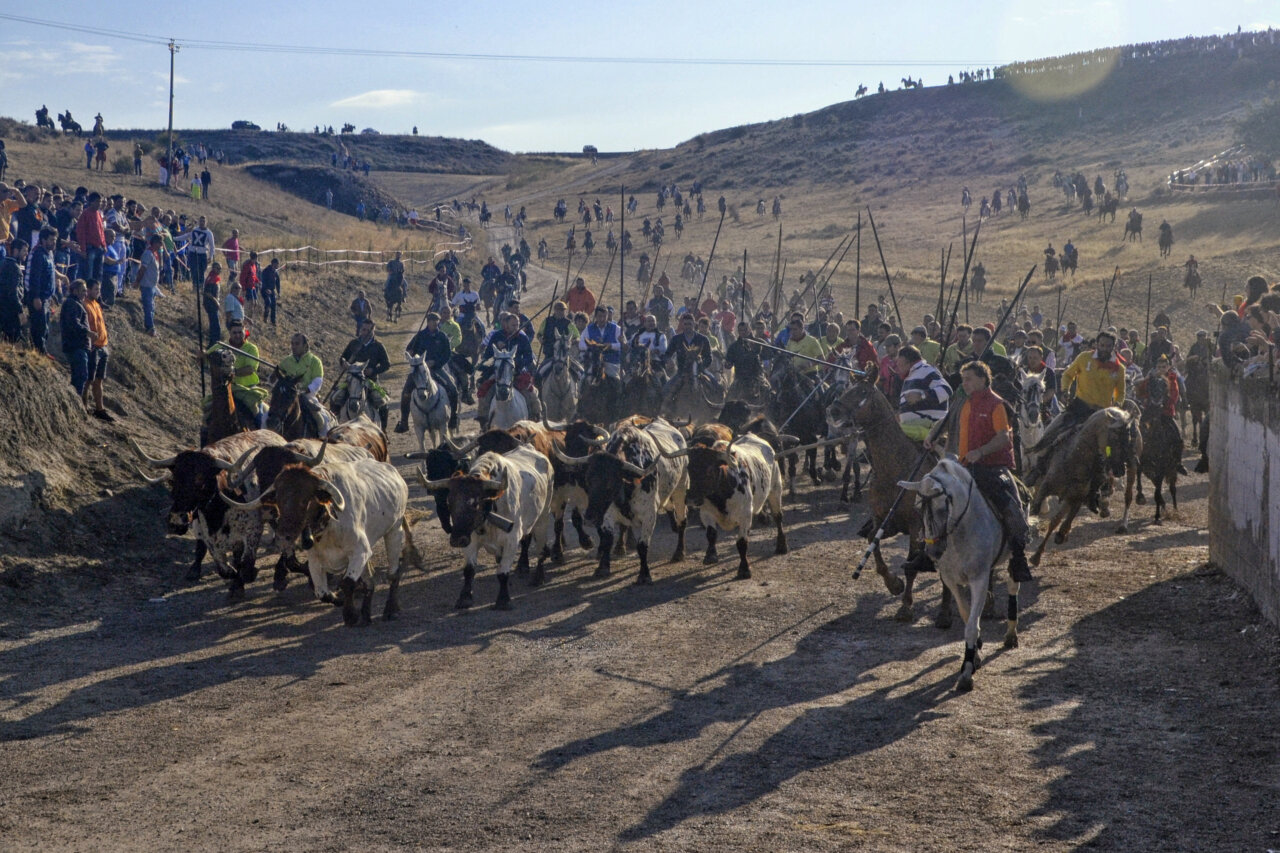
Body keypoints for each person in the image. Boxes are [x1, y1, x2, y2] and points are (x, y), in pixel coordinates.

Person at [924, 360, 1032, 582]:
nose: (964, 383)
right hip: (964, 465)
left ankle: (1018, 557)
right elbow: (946, 420)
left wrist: (981, 452)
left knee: (1011, 506)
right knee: (932, 498)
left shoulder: (996, 404)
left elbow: (1003, 437)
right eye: (963, 379)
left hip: (992, 467)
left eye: (968, 379)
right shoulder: (964, 402)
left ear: (983, 379)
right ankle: (927, 548)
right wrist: (932, 434)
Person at [1030, 330, 1125, 480]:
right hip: (1079, 407)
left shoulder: (1119, 369)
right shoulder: (1084, 358)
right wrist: (1065, 390)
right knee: (1051, 432)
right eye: (1102, 345)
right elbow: (1068, 374)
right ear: (1097, 345)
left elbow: (1121, 391)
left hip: (1103, 413)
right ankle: (1039, 467)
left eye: (1108, 346)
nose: (1104, 348)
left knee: (1110, 445)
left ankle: (1110, 473)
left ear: (1113, 347)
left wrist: (1118, 405)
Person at [398, 311, 459, 433]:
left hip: (437, 368)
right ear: (428, 322)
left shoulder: (442, 337)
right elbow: (409, 349)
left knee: (453, 389)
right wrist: (410, 352)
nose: (435, 323)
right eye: (432, 321)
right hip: (419, 370)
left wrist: (435, 363)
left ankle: (453, 417)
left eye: (437, 321)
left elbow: (447, 354)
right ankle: (404, 421)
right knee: (405, 393)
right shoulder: (420, 335)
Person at [476, 312, 539, 423]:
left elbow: (529, 357)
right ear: (506, 325)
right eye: (513, 325)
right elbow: (487, 356)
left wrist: (516, 362)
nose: (516, 328)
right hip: (498, 372)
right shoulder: (496, 336)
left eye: (517, 325)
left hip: (517, 371)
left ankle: (535, 416)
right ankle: (484, 420)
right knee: (484, 391)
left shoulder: (522, 338)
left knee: (532, 393)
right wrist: (496, 348)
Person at [207, 319, 269, 429]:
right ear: (229, 333)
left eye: (240, 332)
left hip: (248, 390)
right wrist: (202, 355)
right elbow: (207, 357)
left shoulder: (251, 349)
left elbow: (250, 369)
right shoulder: (220, 347)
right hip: (226, 389)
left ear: (245, 332)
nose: (237, 335)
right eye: (234, 333)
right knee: (207, 416)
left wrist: (233, 372)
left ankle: (262, 435)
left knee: (258, 416)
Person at [335, 318, 392, 430]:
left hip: (370, 381)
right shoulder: (353, 344)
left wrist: (373, 371)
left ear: (372, 331)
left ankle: (383, 432)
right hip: (351, 380)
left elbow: (387, 364)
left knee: (384, 403)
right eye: (362, 329)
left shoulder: (378, 346)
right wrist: (344, 363)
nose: (363, 332)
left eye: (366, 330)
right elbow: (342, 358)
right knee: (335, 396)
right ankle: (335, 425)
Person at [276, 332, 327, 436]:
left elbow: (317, 381)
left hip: (306, 397)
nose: (293, 347)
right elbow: (276, 377)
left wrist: (305, 390)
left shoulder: (315, 362)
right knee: (268, 416)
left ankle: (323, 442)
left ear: (305, 346)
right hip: (287, 397)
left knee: (323, 421)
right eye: (292, 344)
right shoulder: (286, 361)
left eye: (297, 344)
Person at [897, 344, 951, 440]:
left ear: (909, 363)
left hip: (927, 425)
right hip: (913, 425)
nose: (898, 368)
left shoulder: (927, 370)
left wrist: (921, 395)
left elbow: (946, 390)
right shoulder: (910, 376)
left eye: (900, 365)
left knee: (893, 431)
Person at [27, 227, 64, 354]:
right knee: (39, 326)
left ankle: (42, 350)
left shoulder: (49, 253)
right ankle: (38, 352)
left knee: (45, 326)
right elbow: (35, 278)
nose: (54, 242)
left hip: (46, 297)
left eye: (55, 240)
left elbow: (49, 275)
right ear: (43, 240)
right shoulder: (38, 254)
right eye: (51, 240)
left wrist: (52, 295)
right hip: (38, 297)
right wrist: (36, 297)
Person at [83, 280, 114, 421]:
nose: (98, 292)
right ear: (88, 290)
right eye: (95, 289)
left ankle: (99, 409)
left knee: (98, 380)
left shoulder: (96, 304)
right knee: (88, 379)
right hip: (93, 347)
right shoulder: (85, 304)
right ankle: (83, 406)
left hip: (102, 346)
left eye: (99, 289)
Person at [61, 279, 92, 400]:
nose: (86, 293)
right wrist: (87, 332)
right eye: (83, 290)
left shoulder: (75, 303)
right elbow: (73, 323)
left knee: (79, 377)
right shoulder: (71, 303)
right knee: (80, 377)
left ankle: (75, 403)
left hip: (78, 346)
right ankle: (75, 402)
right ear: (75, 290)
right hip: (76, 346)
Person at [579, 305, 623, 379]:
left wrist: (611, 346)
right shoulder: (589, 329)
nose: (602, 319)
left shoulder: (616, 328)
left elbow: (622, 345)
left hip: (611, 362)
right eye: (599, 316)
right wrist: (593, 347)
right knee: (582, 379)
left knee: (616, 380)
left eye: (604, 316)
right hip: (593, 362)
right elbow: (581, 344)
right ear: (596, 316)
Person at [0, 239, 27, 343]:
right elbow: (13, 292)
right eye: (24, 250)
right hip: (10, 311)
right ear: (16, 250)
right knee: (12, 340)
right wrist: (20, 310)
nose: (26, 253)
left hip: (3, 309)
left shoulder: (4, 263)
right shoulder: (14, 268)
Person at [202, 262, 223, 343]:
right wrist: (216, 301)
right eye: (218, 268)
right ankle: (214, 342)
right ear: (213, 268)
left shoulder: (214, 277)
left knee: (214, 324)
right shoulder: (211, 278)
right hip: (211, 304)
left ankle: (213, 341)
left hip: (212, 304)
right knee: (215, 326)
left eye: (220, 269)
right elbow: (207, 292)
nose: (219, 270)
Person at [260, 257, 281, 327]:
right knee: (268, 302)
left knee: (274, 305)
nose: (277, 266)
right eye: (276, 264)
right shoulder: (266, 271)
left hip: (272, 290)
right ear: (272, 264)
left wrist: (279, 292)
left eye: (277, 265)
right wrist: (266, 289)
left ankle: (273, 321)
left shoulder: (276, 272)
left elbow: (278, 283)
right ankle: (265, 317)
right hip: (264, 290)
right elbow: (263, 281)